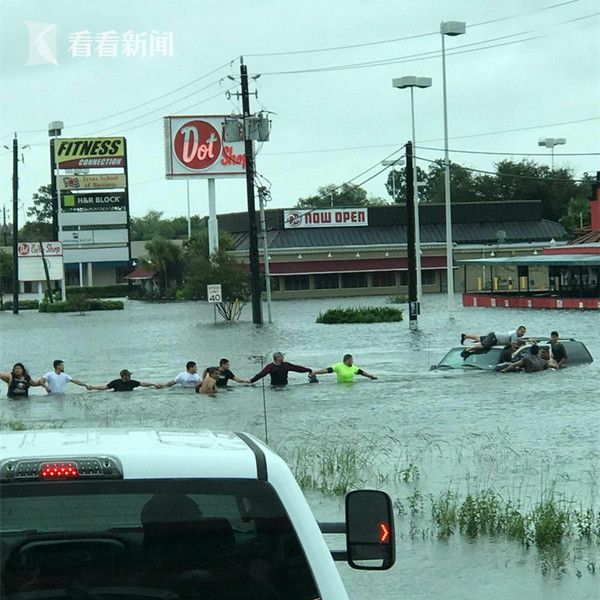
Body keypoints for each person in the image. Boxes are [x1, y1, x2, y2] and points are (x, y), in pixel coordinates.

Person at [461, 326, 527, 357]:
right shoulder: (515, 335)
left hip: (494, 335)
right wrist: (514, 353)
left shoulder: (514, 332)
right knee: (483, 346)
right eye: (521, 332)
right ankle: (468, 349)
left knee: (479, 338)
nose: (522, 334)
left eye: (524, 332)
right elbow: (513, 345)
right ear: (518, 330)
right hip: (495, 338)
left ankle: (466, 336)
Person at [311, 354, 377, 383]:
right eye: (351, 360)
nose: (352, 361)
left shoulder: (353, 367)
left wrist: (370, 376)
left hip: (351, 385)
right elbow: (326, 370)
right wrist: (315, 372)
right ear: (347, 360)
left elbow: (362, 373)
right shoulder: (338, 366)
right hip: (341, 387)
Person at [88, 369, 162, 392]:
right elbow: (104, 387)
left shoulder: (132, 382)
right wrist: (93, 387)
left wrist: (153, 384)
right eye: (129, 375)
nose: (130, 376)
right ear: (124, 376)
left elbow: (142, 384)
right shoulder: (115, 382)